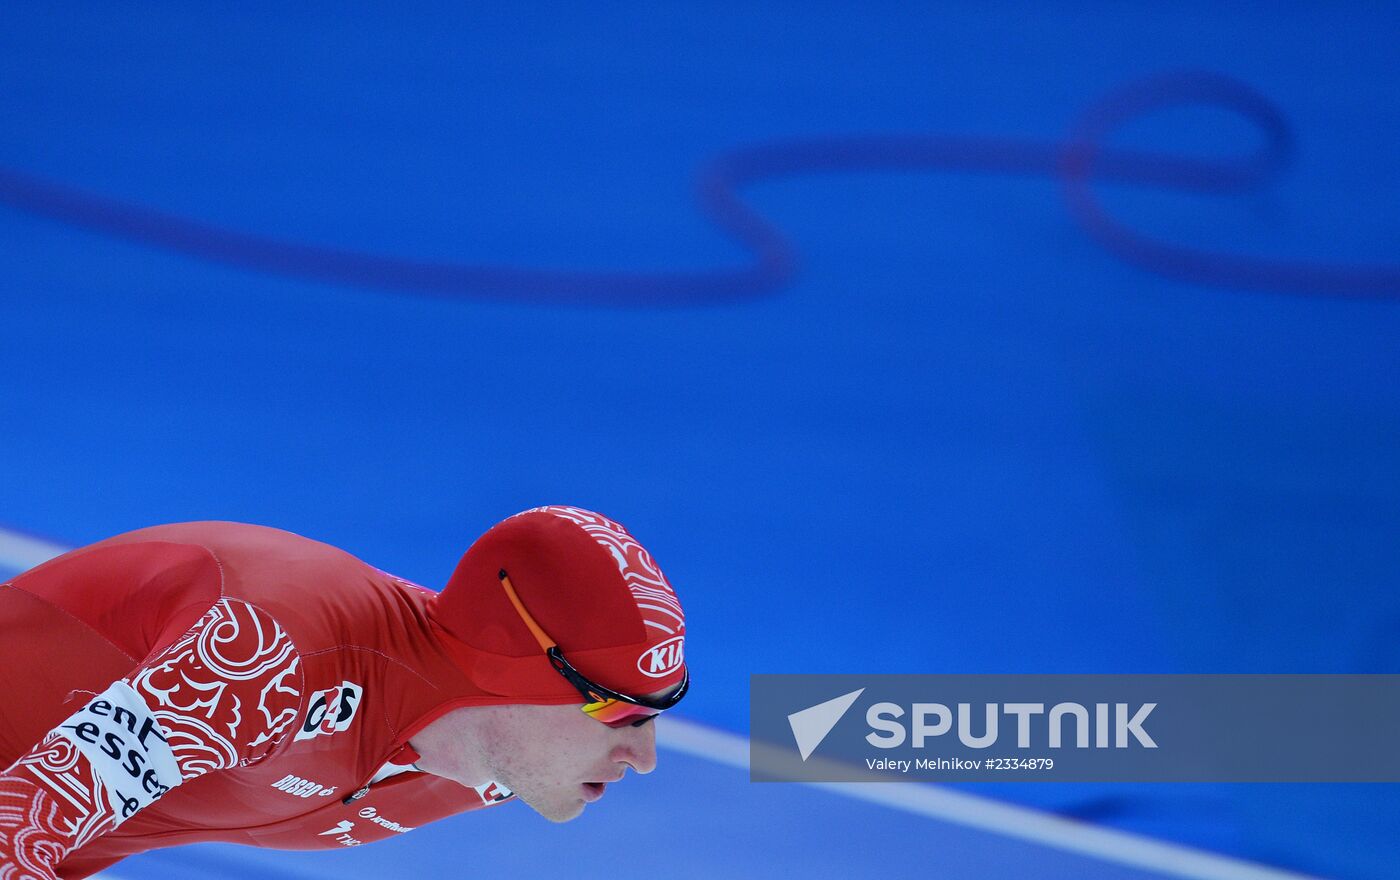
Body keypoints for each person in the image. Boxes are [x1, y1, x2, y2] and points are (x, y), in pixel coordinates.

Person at [0, 506, 688, 879]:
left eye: (662, 712)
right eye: (623, 713)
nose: (648, 757)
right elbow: (19, 820)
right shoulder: (268, 660)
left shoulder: (501, 753)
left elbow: (795, 731)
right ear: (515, 678)